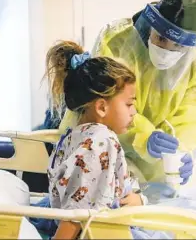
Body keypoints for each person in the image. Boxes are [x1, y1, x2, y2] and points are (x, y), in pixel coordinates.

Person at [54, 0, 196, 185]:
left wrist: (182, 151)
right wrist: (143, 136)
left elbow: (193, 114)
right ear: (151, 24)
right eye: (161, 38)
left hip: (149, 170)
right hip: (109, 148)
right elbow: (108, 107)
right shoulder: (117, 41)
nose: (167, 50)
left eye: (178, 45)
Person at [39, 41, 148, 239]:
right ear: (101, 107)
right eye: (129, 104)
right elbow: (76, 212)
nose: (134, 112)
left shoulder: (74, 136)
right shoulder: (100, 141)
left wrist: (138, 198)